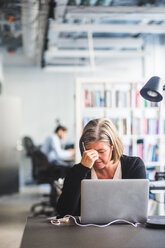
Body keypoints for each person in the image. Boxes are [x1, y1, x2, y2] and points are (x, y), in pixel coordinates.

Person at [56, 118, 146, 217]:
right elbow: (63, 212)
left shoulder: (134, 166)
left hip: (125, 228)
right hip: (86, 230)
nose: (96, 158)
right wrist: (82, 169)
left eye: (101, 151)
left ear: (112, 147)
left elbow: (138, 208)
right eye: (90, 151)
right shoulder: (77, 171)